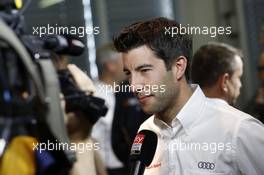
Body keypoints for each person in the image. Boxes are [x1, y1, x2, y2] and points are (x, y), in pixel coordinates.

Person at [113, 17, 264, 175]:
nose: (134, 85)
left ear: (179, 67)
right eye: (129, 74)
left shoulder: (238, 130)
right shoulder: (146, 133)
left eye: (144, 70)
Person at [91, 43, 126, 175]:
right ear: (111, 65)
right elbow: (91, 140)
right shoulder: (95, 95)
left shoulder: (123, 93)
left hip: (127, 166)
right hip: (109, 170)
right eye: (123, 60)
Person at [245, 53, 264, 123]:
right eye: (258, 69)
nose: (258, 74)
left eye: (261, 69)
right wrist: (258, 106)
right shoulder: (259, 95)